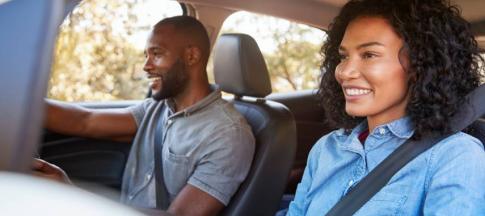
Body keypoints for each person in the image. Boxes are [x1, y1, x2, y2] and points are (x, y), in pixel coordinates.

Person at [38, 15, 255, 216]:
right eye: (146, 56)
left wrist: (73, 195)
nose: (146, 66)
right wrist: (18, 102)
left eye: (157, 54)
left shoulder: (229, 134)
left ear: (191, 56)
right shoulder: (158, 108)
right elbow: (86, 121)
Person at [286, 0, 485, 215]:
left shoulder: (455, 156)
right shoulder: (326, 148)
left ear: (419, 65)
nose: (344, 72)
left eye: (369, 55)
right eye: (344, 57)